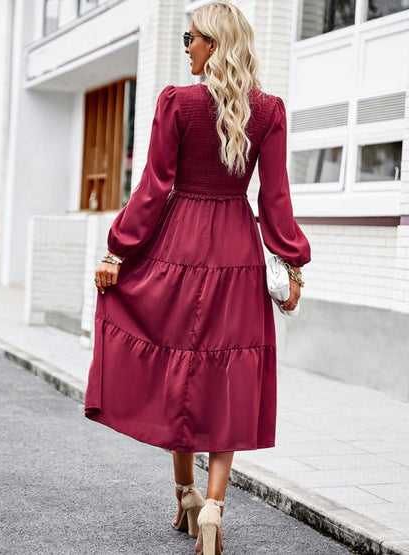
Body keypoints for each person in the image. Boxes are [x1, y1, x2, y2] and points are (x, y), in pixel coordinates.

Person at [84, 2, 311, 553]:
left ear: (213, 43)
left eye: (191, 38)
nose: (185, 46)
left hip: (179, 242)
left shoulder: (177, 104)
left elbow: (154, 186)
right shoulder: (270, 111)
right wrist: (293, 261)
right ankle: (211, 509)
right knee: (225, 374)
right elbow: (274, 198)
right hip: (236, 246)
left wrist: (119, 251)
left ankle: (185, 494)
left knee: (177, 362)